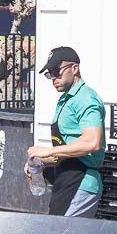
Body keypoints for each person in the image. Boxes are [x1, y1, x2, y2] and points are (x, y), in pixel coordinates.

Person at [26, 46, 106, 218]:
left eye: (56, 71)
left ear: (74, 68)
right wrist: (41, 161)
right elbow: (68, 151)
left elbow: (92, 142)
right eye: (49, 74)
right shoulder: (66, 99)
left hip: (81, 182)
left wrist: (49, 150)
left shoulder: (86, 98)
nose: (53, 78)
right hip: (65, 181)